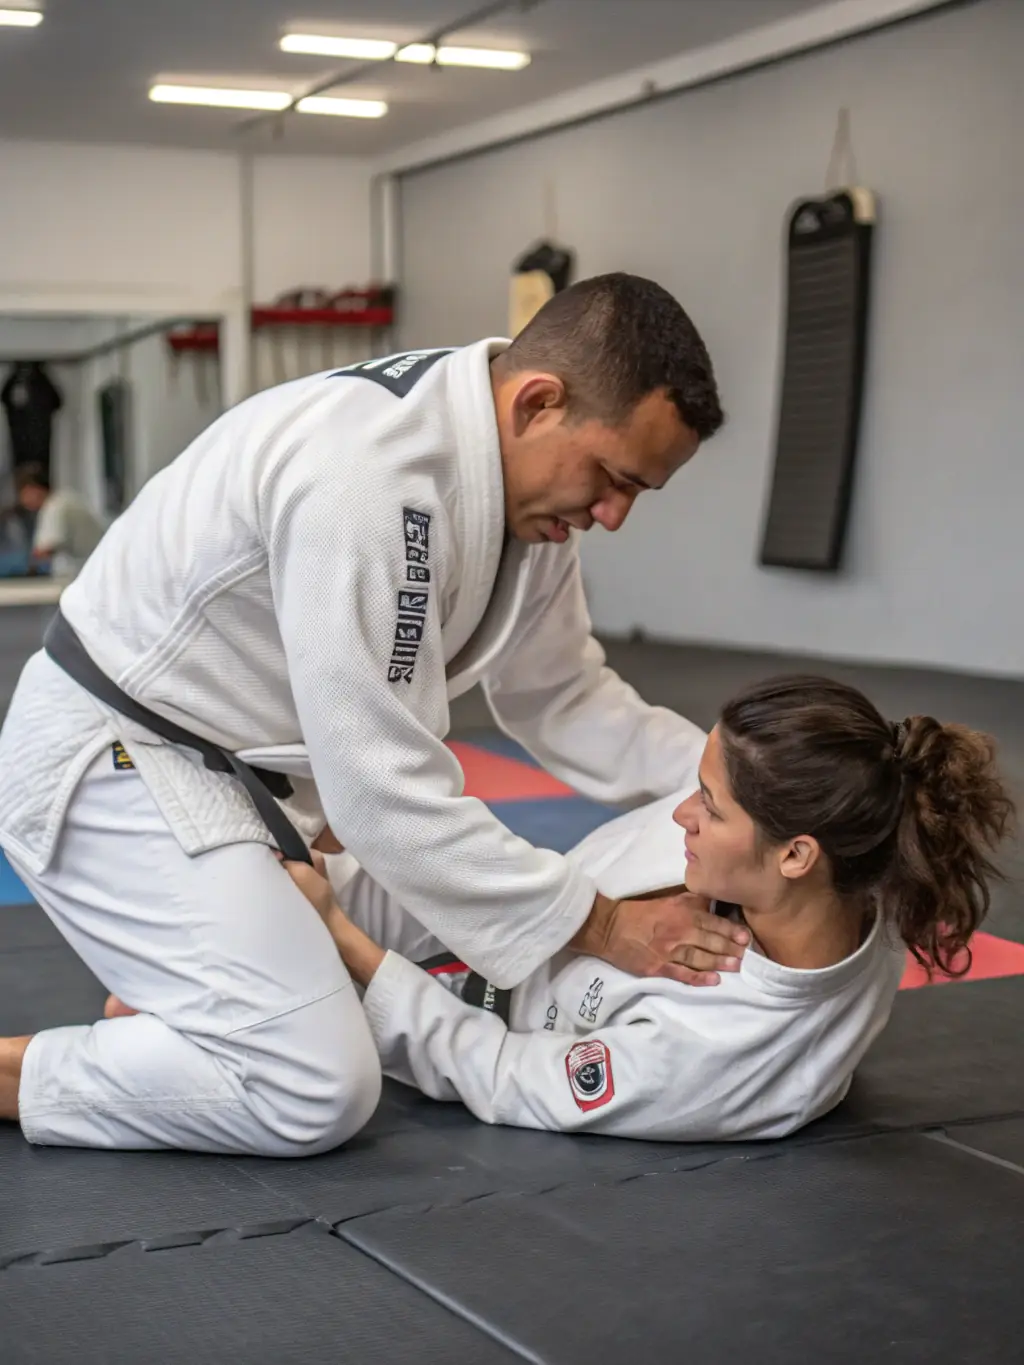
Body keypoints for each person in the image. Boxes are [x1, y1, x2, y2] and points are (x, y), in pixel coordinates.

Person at [0, 273, 732, 1157]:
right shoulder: (368, 472)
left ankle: (205, 1000)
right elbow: (381, 797)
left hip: (259, 795)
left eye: (638, 493)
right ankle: (29, 1068)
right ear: (539, 403)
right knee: (317, 1087)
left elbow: (566, 697)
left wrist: (748, 793)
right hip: (117, 762)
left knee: (499, 901)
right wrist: (609, 926)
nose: (613, 515)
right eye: (614, 478)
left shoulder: (531, 508)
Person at [251, 675, 1011, 1141]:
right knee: (249, 862)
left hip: (450, 1019)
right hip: (497, 915)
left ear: (795, 855)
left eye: (708, 806)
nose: (681, 813)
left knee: (272, 1040)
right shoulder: (832, 864)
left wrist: (344, 942)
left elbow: (504, 1073)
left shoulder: (722, 1056)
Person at [14, 463, 104, 579]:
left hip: (87, 571)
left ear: (33, 489)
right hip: (95, 566)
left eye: (23, 494)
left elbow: (43, 551)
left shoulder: (55, 506)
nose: (23, 501)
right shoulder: (65, 498)